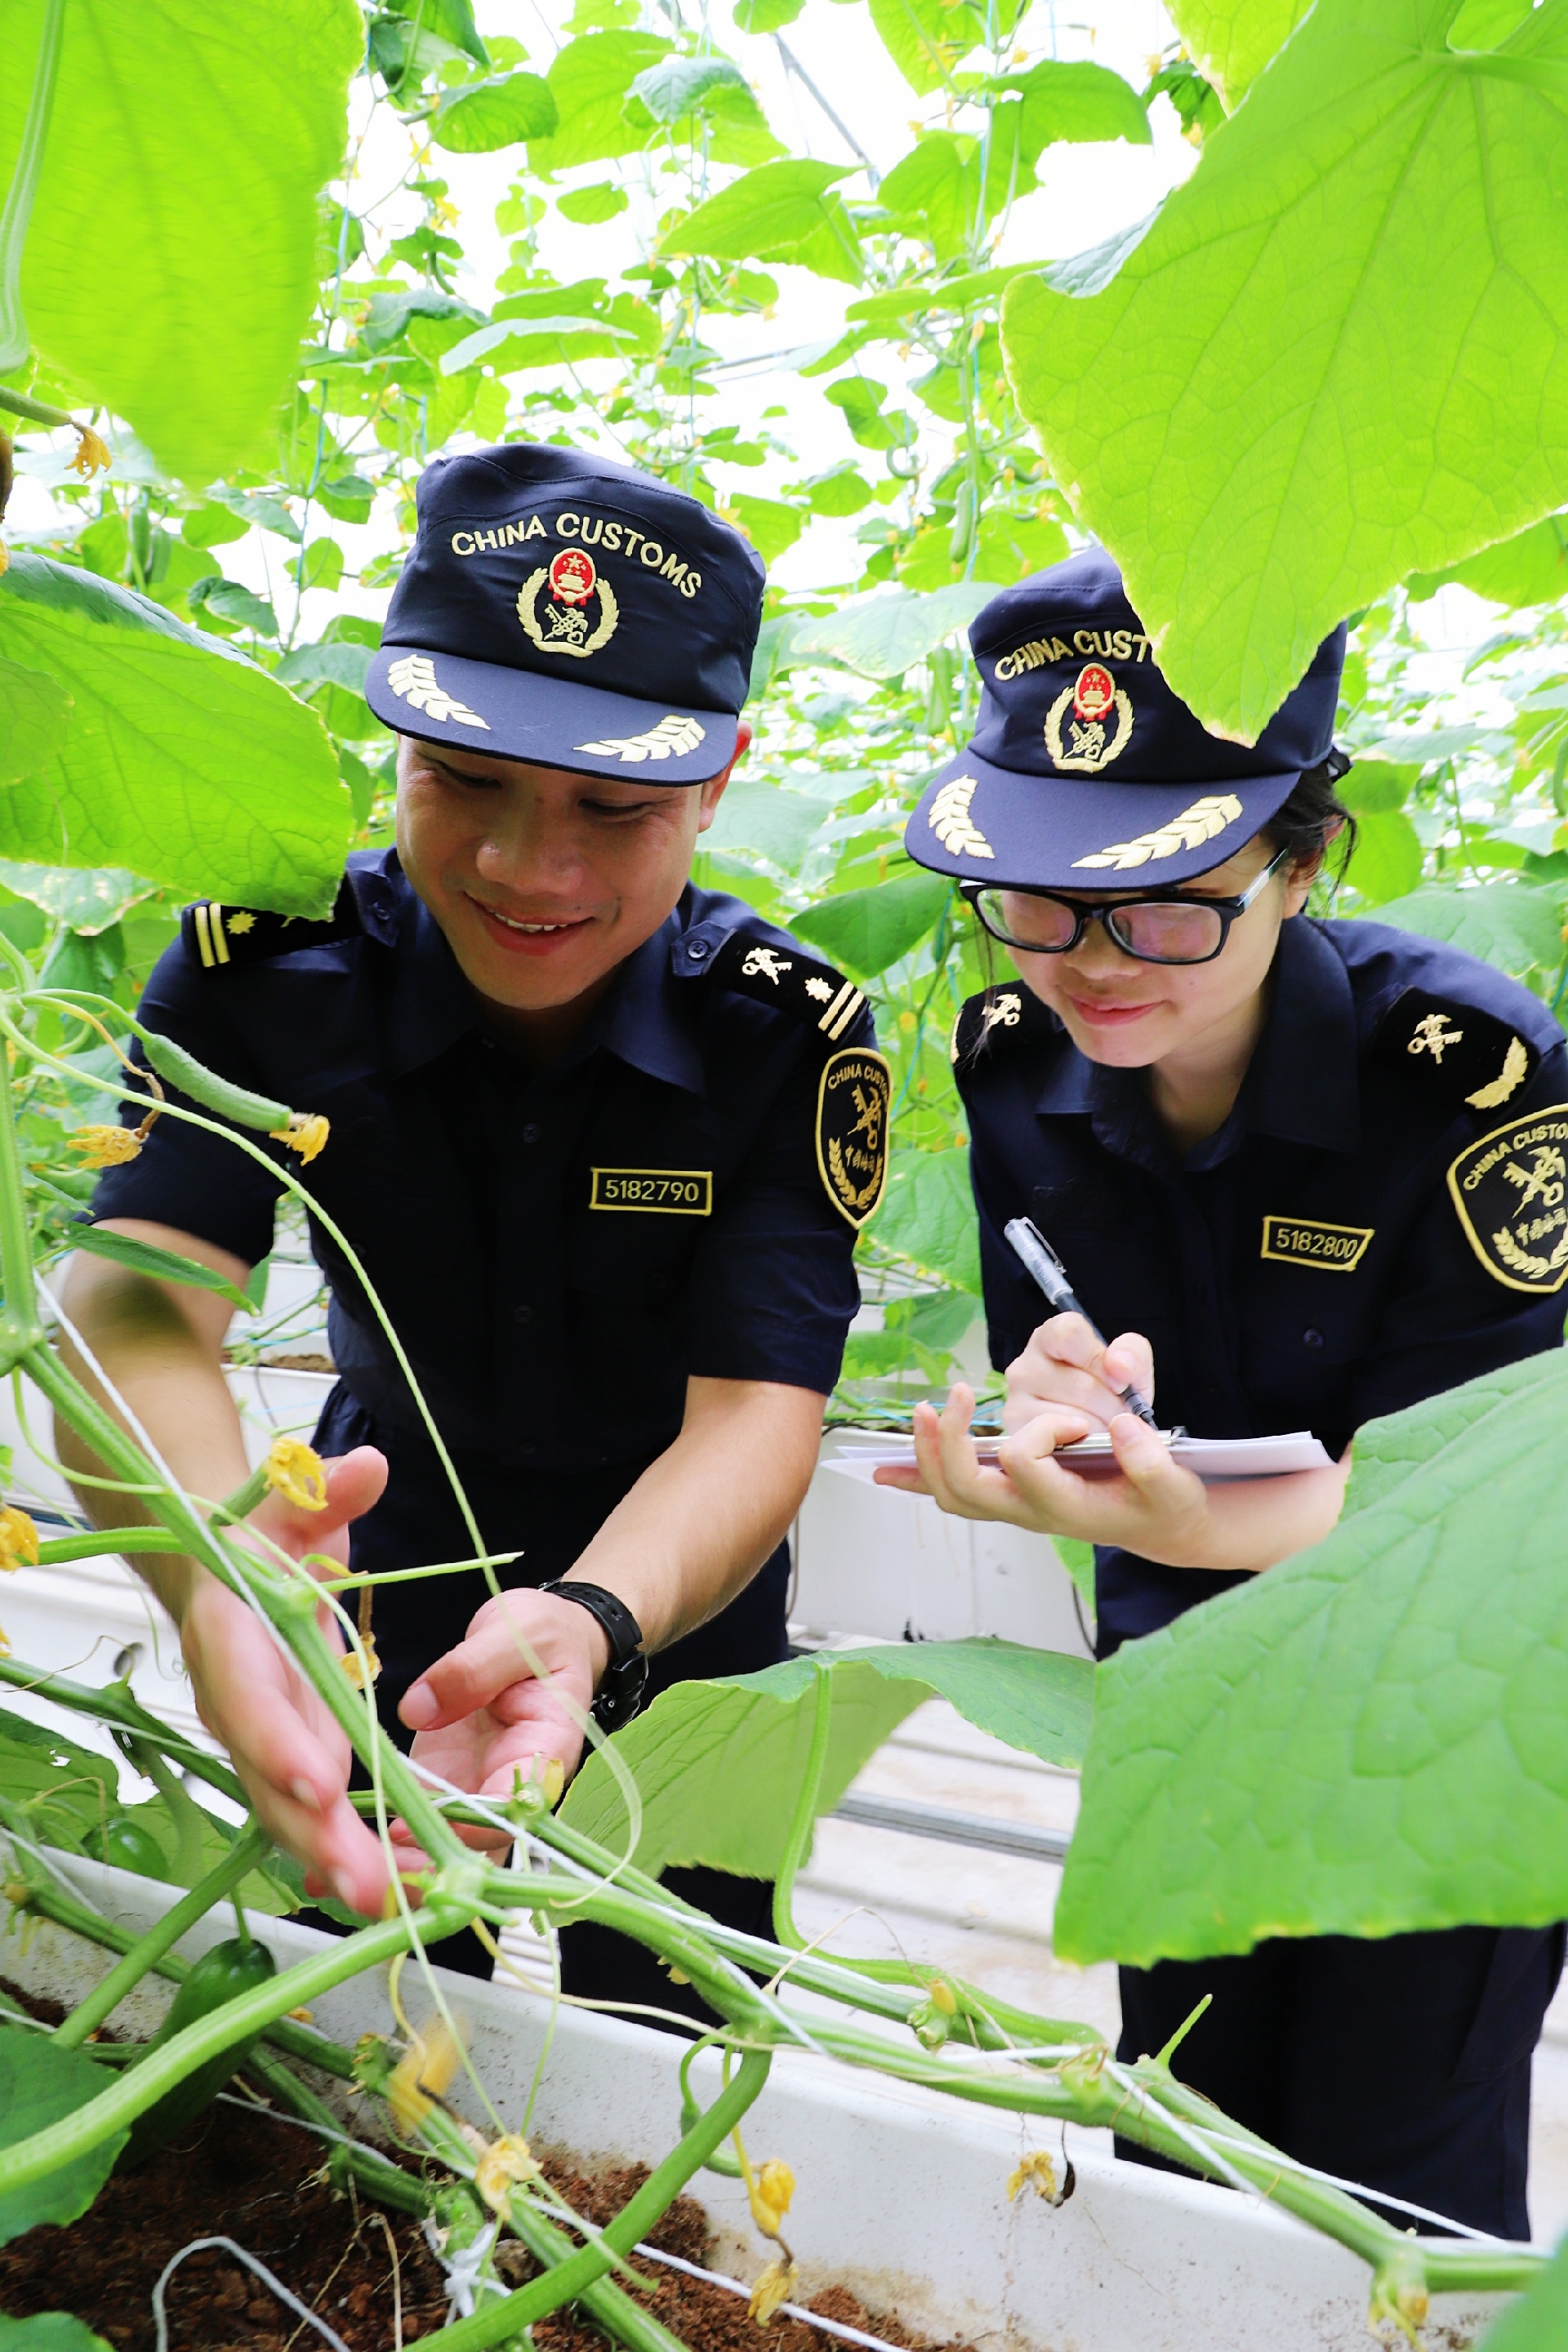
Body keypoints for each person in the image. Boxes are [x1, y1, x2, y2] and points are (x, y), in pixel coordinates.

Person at [56, 440, 889, 2018]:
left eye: (615, 805)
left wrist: (591, 1621)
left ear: (720, 778)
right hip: (372, 1544)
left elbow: (755, 1419)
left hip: (677, 1593)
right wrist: (223, 1569)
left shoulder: (780, 1033)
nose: (525, 865)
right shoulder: (264, 976)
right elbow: (137, 1308)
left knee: (681, 2002)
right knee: (372, 1998)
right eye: (467, 780)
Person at [880, 545, 1566, 2239]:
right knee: (1186, 2144)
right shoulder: (1017, 1070)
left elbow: (1479, 1497)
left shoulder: (1466, 1082)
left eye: (1174, 900)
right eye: (1040, 900)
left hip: (1438, 1716)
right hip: (1187, 1696)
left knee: (1395, 2184)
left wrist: (1184, 1511)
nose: (1098, 962)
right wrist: (1051, 1390)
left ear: (1303, 857)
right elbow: (1061, 1326)